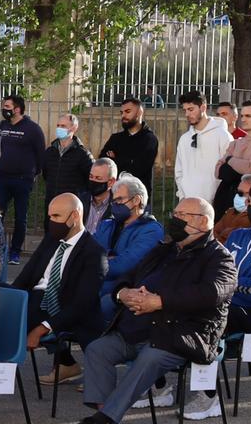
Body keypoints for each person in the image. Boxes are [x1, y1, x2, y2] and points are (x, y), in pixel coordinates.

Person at [65, 197, 234, 424]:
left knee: (150, 357)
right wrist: (124, 294)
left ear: (203, 221)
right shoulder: (163, 249)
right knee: (98, 349)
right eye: (174, 212)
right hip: (141, 327)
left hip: (183, 334)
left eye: (183, 215)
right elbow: (128, 277)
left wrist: (160, 301)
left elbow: (212, 293)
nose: (174, 218)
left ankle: (102, 421)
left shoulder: (220, 258)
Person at [185, 180, 251, 420]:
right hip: (225, 303)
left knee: (208, 318)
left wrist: (232, 282)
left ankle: (208, 395)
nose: (249, 205)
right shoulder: (238, 235)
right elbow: (213, 273)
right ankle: (162, 383)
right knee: (177, 309)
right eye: (248, 200)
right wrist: (242, 280)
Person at [15, 193, 107, 378]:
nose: (51, 222)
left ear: (75, 216)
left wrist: (41, 329)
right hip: (34, 300)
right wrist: (11, 300)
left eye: (56, 216)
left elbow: (81, 304)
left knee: (25, 308)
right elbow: (25, 278)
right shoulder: (51, 240)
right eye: (49, 216)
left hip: (61, 305)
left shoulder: (94, 253)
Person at [93, 173, 166, 328]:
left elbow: (124, 266)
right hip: (95, 284)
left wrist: (97, 262)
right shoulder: (106, 225)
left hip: (121, 290)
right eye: (113, 201)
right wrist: (106, 259)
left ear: (136, 200)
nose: (115, 205)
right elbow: (87, 254)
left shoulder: (151, 230)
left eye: (120, 200)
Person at [0, 93, 45, 262]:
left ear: (17, 109)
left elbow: (40, 155)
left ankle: (15, 252)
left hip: (23, 180)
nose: (4, 110)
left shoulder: (33, 129)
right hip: (2, 178)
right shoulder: (2, 125)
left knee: (20, 217)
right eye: (4, 106)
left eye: (7, 107)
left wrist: (33, 173)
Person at [174, 90, 233, 204]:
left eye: (191, 109)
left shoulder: (223, 136)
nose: (187, 114)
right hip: (187, 202)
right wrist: (182, 197)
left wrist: (219, 198)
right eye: (185, 110)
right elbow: (179, 172)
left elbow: (229, 171)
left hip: (216, 203)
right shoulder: (184, 139)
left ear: (203, 107)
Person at [99, 97, 160, 188]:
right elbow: (103, 162)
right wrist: (129, 161)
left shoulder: (149, 139)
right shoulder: (115, 138)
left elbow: (140, 168)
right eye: (121, 113)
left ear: (139, 113)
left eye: (127, 112)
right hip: (114, 192)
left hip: (138, 194)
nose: (123, 116)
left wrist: (115, 160)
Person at [40, 112, 92, 212]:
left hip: (72, 206)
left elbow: (89, 179)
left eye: (63, 126)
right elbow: (46, 175)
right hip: (52, 202)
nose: (59, 128)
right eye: (58, 126)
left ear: (74, 128)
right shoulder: (50, 152)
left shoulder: (83, 154)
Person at [83, 158, 120, 237]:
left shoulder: (118, 207)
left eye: (98, 178)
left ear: (111, 182)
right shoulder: (80, 201)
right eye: (91, 176)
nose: (93, 181)